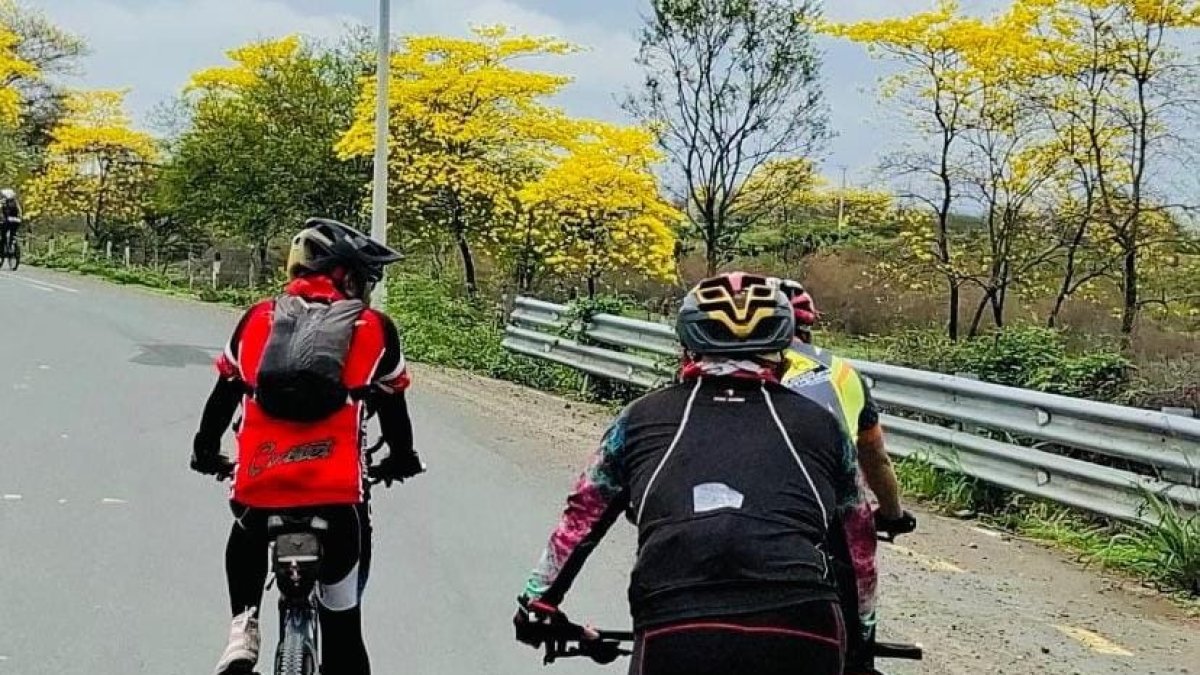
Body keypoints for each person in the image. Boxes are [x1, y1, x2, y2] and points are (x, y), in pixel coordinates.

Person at [514, 272, 860, 675]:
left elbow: (581, 519)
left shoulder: (640, 419)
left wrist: (538, 604)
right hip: (803, 624)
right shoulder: (823, 426)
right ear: (782, 354)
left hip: (677, 621)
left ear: (685, 349)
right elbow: (858, 547)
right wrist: (861, 644)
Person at [190, 218, 425, 675]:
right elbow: (395, 408)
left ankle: (244, 626)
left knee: (245, 526)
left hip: (260, 491)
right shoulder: (375, 327)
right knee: (344, 630)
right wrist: (402, 458)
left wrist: (204, 452)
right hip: (339, 502)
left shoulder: (257, 319)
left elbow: (222, 397)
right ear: (348, 276)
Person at [774, 278, 915, 674]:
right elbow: (875, 458)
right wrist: (892, 512)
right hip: (826, 508)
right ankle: (859, 652)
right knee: (858, 562)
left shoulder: (716, 373)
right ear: (808, 324)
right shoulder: (841, 373)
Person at [1, 188, 21, 256]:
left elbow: (0, 211)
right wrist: (20, 217)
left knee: (3, 233)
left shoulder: (3, 202)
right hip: (16, 221)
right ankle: (11, 244)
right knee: (13, 233)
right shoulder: (15, 202)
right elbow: (20, 211)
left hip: (7, 221)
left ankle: (3, 249)